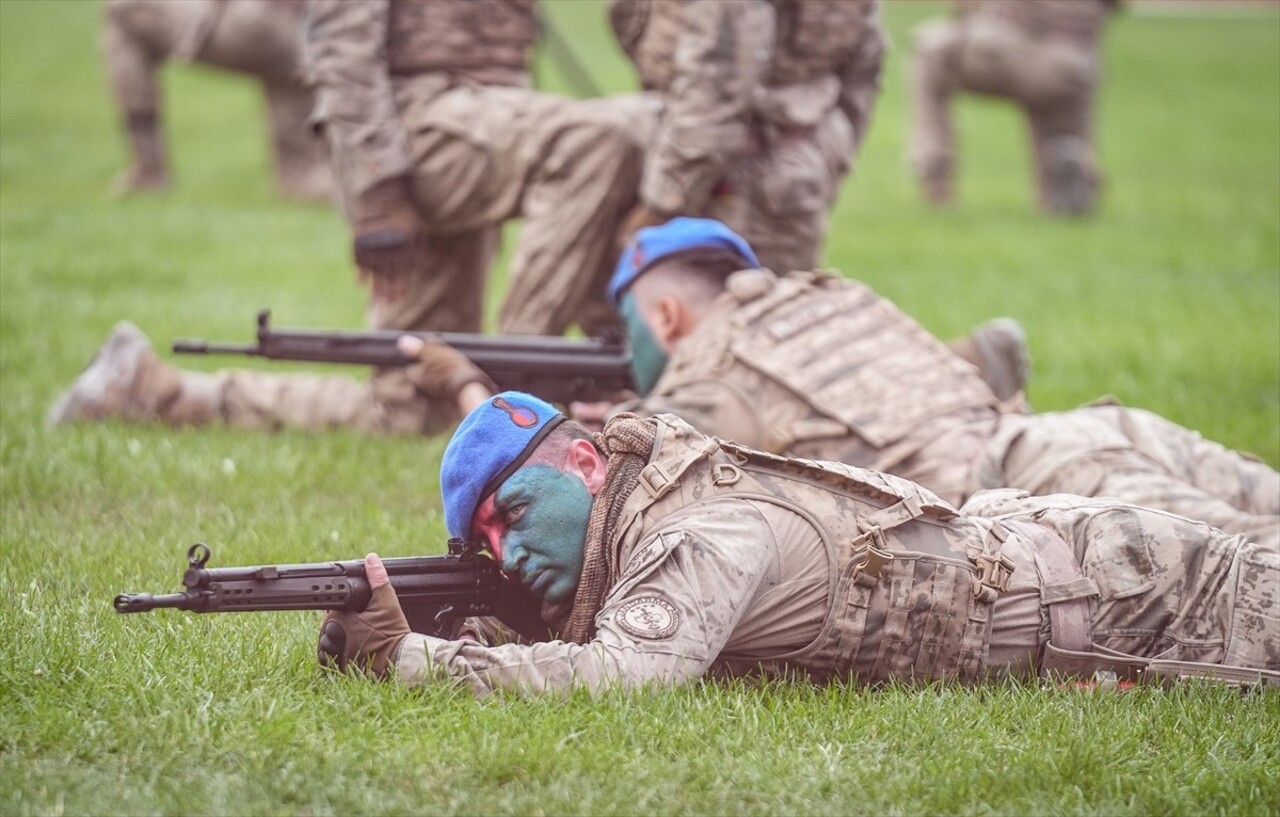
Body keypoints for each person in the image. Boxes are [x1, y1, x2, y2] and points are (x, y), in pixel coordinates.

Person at [315, 390, 1280, 695]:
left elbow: (622, 673)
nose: (507, 551)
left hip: (1124, 590)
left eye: (513, 515)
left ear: (585, 463)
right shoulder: (656, 501)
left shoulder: (699, 524)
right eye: (482, 541)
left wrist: (411, 657)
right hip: (1044, 540)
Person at [415, 218, 1279, 547]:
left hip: (1035, 489)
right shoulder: (831, 295)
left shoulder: (712, 374)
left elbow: (584, 483)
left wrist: (466, 387)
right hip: (1101, 432)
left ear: (669, 321)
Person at [50, 0, 654, 436]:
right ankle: (519, 404)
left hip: (498, 130)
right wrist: (379, 193)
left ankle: (162, 390)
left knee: (409, 408)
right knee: (598, 139)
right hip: (418, 132)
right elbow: (338, 45)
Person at [608, 0, 887, 274]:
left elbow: (717, 84)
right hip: (794, 166)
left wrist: (662, 202)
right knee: (775, 309)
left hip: (721, 177)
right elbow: (863, 70)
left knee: (722, 308)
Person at [103, 0, 331, 202]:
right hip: (319, 38)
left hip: (260, 21)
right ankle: (358, 186)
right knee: (300, 176)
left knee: (123, 10)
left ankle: (148, 168)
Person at [909, 0, 1119, 215]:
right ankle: (1067, 178)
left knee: (932, 49)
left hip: (1000, 49)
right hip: (1069, 62)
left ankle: (936, 178)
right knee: (1060, 106)